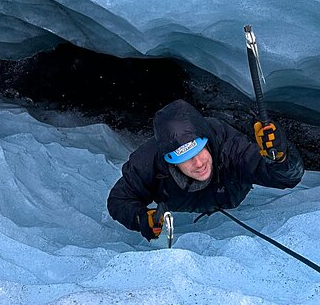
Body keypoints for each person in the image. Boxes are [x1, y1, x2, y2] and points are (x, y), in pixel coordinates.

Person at [107, 99, 305, 241]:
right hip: (184, 215)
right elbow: (119, 200)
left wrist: (280, 156)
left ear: (207, 142)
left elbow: (287, 178)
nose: (199, 163)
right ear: (171, 161)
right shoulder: (148, 163)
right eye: (185, 158)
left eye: (199, 150)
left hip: (232, 201)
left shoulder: (230, 149)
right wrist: (140, 217)